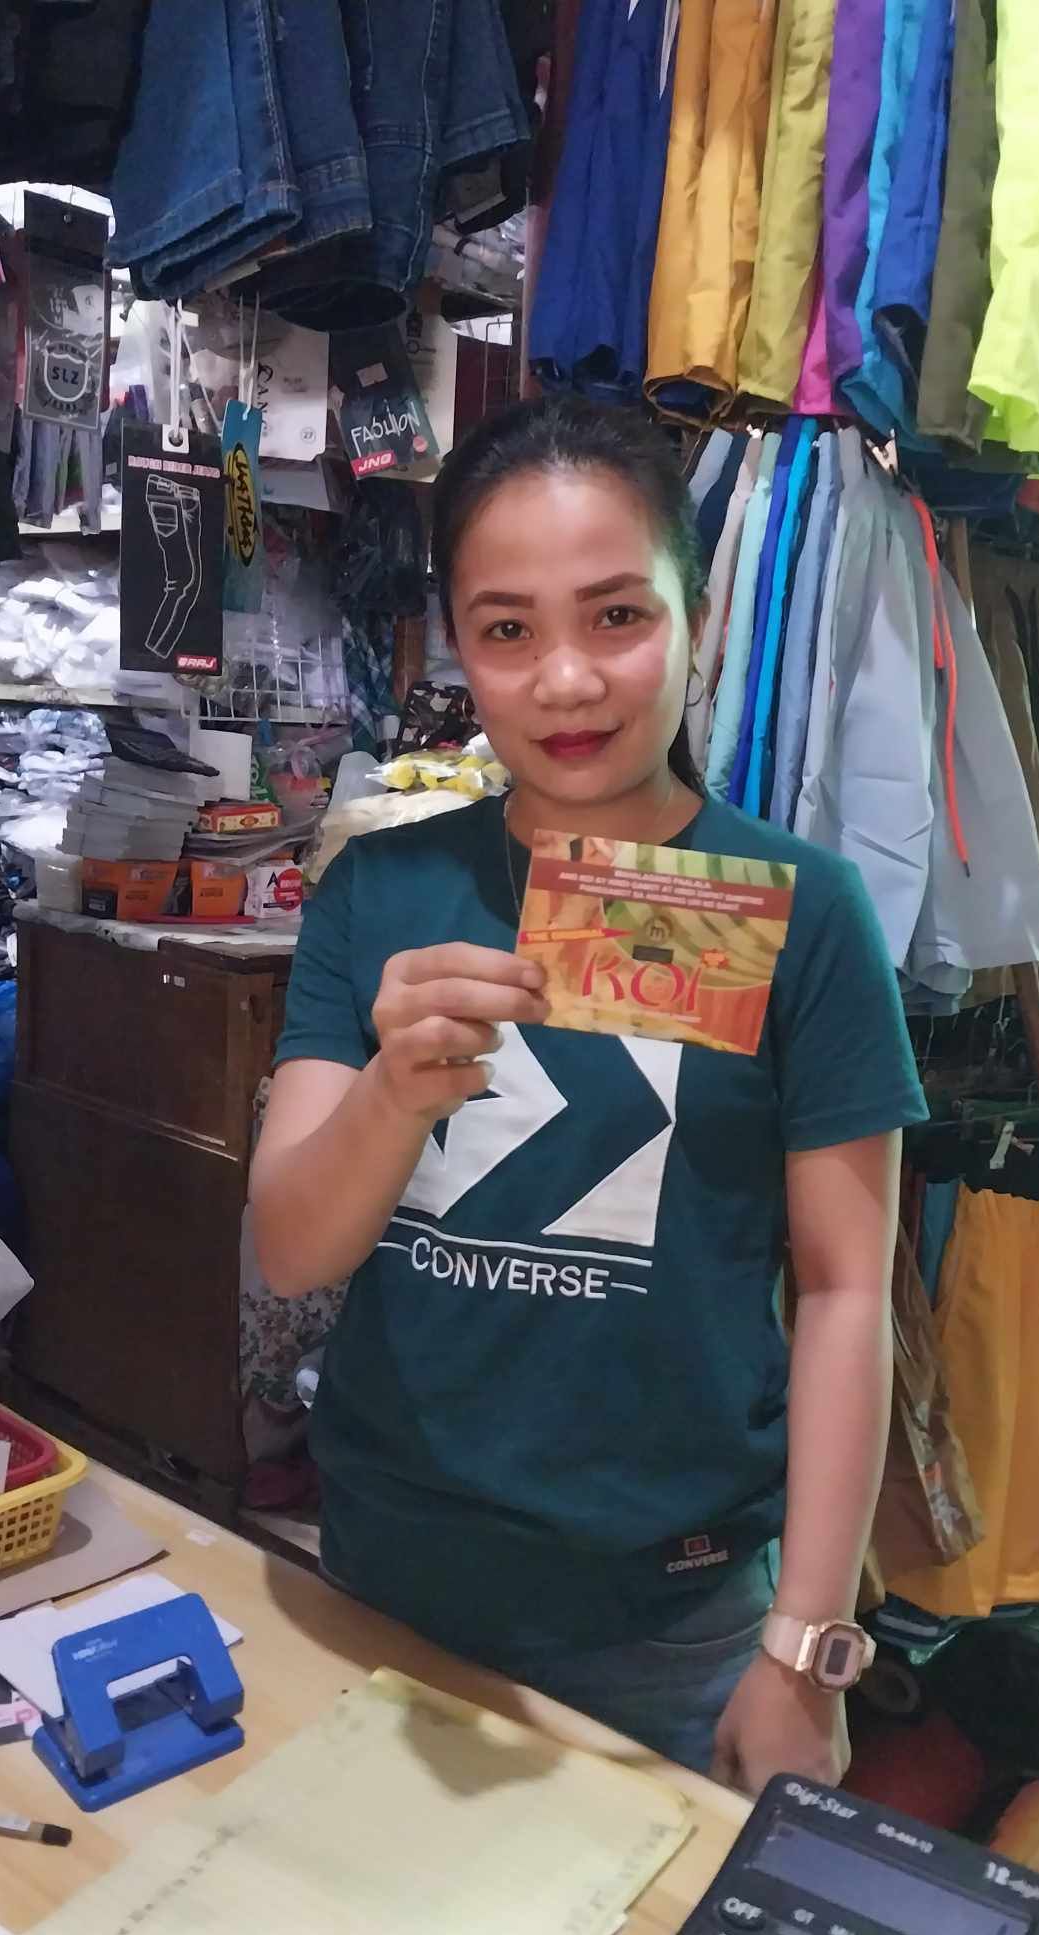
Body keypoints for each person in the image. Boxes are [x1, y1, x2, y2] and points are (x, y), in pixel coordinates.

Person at [251, 396, 927, 1788]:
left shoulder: (804, 912)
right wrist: (389, 1096)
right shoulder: (380, 890)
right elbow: (291, 1250)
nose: (565, 680)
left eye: (616, 616)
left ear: (700, 624)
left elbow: (847, 1290)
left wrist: (807, 1646)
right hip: (378, 1562)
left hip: (668, 1616)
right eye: (507, 630)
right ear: (458, 648)